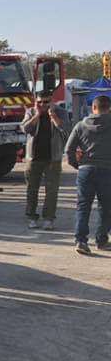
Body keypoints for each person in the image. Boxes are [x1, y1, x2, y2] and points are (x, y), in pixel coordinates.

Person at [66, 94, 111, 254]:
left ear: (93, 107)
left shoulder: (80, 125)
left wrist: (77, 165)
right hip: (107, 170)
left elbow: (69, 149)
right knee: (106, 207)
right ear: (109, 108)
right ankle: (101, 240)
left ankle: (81, 241)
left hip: (86, 170)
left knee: (83, 206)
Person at [21, 94, 71, 230]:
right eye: (40, 102)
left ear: (52, 101)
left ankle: (49, 219)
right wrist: (37, 115)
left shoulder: (61, 112)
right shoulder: (31, 112)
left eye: (46, 102)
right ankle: (32, 217)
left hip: (53, 158)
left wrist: (53, 116)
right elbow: (25, 129)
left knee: (52, 191)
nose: (43, 105)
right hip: (33, 158)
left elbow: (66, 129)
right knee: (32, 189)